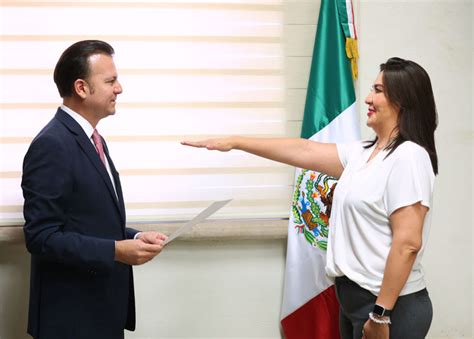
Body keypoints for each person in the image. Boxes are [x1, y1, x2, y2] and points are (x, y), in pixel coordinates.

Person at [182, 57, 437, 339]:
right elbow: (302, 151)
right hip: (356, 301)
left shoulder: (409, 156)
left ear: (401, 101)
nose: (368, 98)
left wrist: (380, 315)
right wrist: (236, 142)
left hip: (390, 308)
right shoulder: (364, 153)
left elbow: (408, 244)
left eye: (377, 90)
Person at [21, 40, 167, 339]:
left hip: (101, 311)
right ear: (81, 88)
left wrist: (135, 237)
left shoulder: (92, 139)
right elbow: (41, 237)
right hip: (71, 320)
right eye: (110, 81)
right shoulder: (53, 144)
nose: (119, 88)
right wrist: (116, 250)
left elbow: (89, 220)